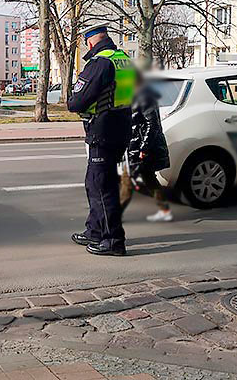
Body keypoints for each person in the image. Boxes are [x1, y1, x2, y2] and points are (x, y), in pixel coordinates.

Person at [68, 23, 136, 256]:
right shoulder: (124, 60)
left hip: (103, 130)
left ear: (89, 42)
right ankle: (95, 230)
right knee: (95, 182)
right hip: (121, 128)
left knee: (101, 187)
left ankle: (113, 240)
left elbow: (77, 101)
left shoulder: (101, 62)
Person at [120, 73, 172, 222]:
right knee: (148, 178)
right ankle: (164, 209)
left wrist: (143, 149)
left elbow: (152, 125)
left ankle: (114, 215)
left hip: (142, 147)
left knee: (127, 178)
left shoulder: (145, 98)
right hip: (135, 146)